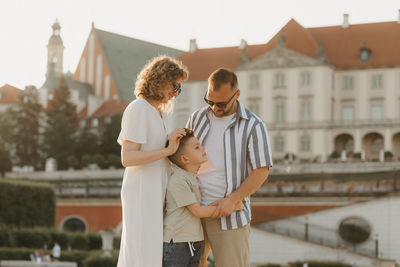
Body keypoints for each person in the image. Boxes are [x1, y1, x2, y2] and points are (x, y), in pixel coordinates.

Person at [186, 68, 273, 267]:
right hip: (193, 212)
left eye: (222, 103)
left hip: (229, 216)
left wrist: (232, 200)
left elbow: (261, 171)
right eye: (210, 101)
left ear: (237, 95)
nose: (215, 108)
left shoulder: (254, 125)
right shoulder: (196, 118)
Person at [116, 56, 189, 267]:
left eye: (180, 89)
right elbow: (127, 157)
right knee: (142, 252)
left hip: (155, 191)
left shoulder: (156, 113)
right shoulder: (138, 108)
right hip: (141, 192)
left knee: (151, 254)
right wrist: (167, 149)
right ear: (160, 80)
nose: (175, 93)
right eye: (175, 86)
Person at [162, 128, 243, 267]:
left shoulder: (192, 177)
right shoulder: (179, 180)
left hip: (194, 242)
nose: (203, 148)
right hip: (177, 244)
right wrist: (231, 207)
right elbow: (198, 211)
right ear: (185, 159)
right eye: (197, 147)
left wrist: (227, 202)